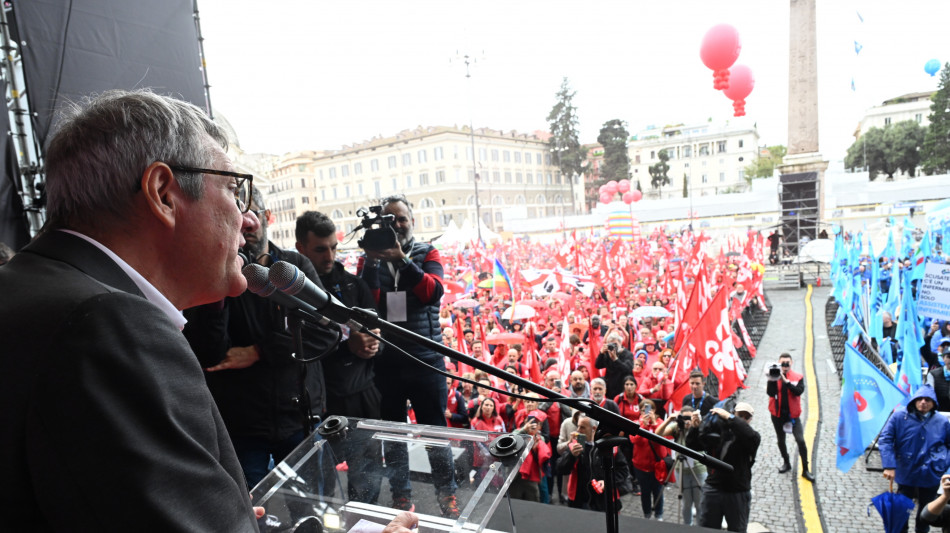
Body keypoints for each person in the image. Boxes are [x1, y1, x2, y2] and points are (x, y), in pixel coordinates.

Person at [0, 90, 261, 530]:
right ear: (163, 193)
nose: (248, 218)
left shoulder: (31, 291)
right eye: (235, 190)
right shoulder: (108, 325)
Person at [184, 187, 337, 489]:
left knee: (315, 509)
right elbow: (211, 355)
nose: (245, 221)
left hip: (300, 418)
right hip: (241, 428)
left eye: (251, 210)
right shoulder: (213, 273)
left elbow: (326, 332)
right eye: (234, 211)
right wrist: (220, 285)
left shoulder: (295, 266)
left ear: (267, 217)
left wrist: (258, 351)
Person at [359, 194, 459, 517]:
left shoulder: (427, 252)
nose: (396, 225)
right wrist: (373, 261)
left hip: (424, 360)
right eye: (389, 220)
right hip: (387, 362)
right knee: (393, 436)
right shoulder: (370, 258)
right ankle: (401, 495)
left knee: (435, 433)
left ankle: (448, 493)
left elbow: (432, 293)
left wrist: (401, 258)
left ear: (412, 222)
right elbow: (368, 304)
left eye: (401, 219)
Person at [880, 384, 950, 533]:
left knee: (926, 515)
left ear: (933, 403)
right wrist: (889, 466)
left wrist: (944, 466)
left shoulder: (942, 421)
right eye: (920, 399)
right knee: (901, 512)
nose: (923, 402)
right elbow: (885, 439)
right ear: (914, 401)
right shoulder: (899, 416)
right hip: (906, 473)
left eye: (927, 400)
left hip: (930, 475)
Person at [689, 402, 760, 533]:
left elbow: (748, 434)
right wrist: (695, 428)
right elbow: (692, 446)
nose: (742, 419)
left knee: (737, 529)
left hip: (737, 491)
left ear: (750, 420)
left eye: (746, 417)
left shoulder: (752, 437)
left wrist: (730, 418)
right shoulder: (719, 433)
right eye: (740, 415)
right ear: (734, 413)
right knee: (706, 528)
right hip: (713, 487)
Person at [556, 415, 630, 512]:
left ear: (593, 429)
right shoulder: (575, 445)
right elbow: (560, 469)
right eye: (577, 426)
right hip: (580, 500)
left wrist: (607, 481)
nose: (578, 430)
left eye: (582, 427)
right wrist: (571, 455)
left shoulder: (608, 446)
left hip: (604, 499)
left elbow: (623, 470)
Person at [766, 353, 815, 481]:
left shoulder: (797, 377)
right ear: (779, 363)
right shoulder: (774, 375)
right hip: (777, 415)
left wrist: (786, 382)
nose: (785, 366)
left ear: (791, 363)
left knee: (801, 441)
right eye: (783, 363)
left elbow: (798, 391)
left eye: (787, 363)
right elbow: (770, 393)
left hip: (792, 416)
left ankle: (805, 470)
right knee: (780, 440)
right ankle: (786, 462)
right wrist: (772, 379)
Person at [658, 406, 706, 526]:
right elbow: (658, 434)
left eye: (690, 417)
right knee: (686, 503)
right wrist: (669, 419)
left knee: (700, 503)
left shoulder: (699, 426)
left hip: (698, 469)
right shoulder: (677, 427)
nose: (688, 421)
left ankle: (700, 528)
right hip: (681, 469)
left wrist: (698, 425)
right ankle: (687, 526)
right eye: (685, 418)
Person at [630, 399, 668, 521]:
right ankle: (647, 514)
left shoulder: (660, 423)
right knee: (645, 493)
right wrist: (643, 426)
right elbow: (634, 440)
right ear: (640, 411)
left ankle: (659, 514)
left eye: (649, 409)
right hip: (640, 466)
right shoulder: (636, 423)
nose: (646, 412)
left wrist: (654, 424)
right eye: (643, 410)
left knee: (658, 492)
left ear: (654, 410)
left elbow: (661, 441)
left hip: (656, 465)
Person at [595, 333, 635, 400]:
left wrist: (615, 359)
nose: (613, 347)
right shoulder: (608, 354)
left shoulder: (628, 354)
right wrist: (601, 353)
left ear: (620, 342)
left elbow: (627, 369)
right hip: (610, 387)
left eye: (615, 344)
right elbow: (598, 365)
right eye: (611, 344)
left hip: (622, 387)